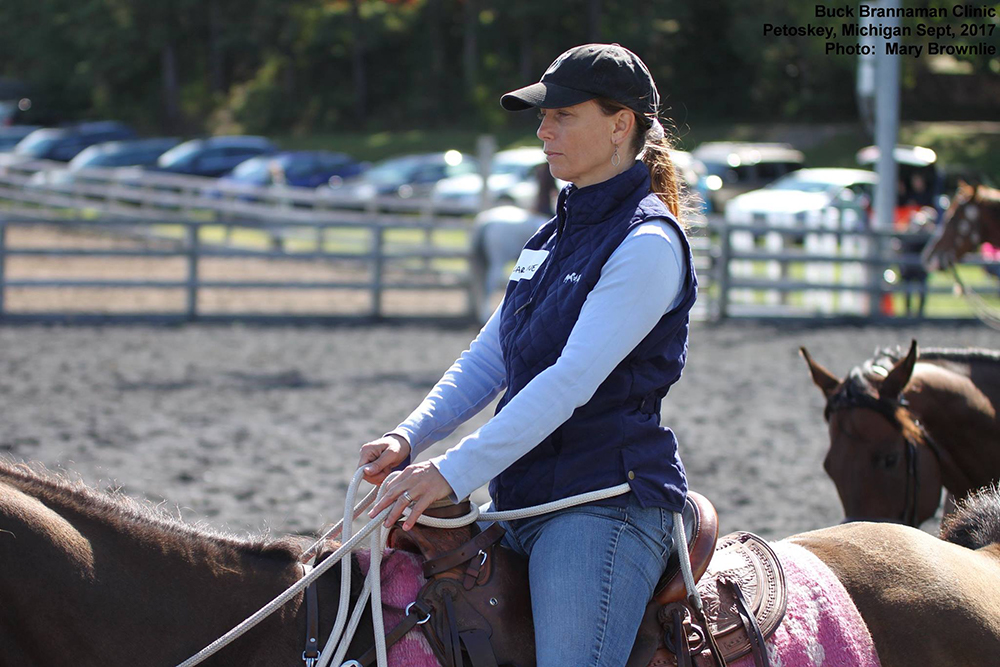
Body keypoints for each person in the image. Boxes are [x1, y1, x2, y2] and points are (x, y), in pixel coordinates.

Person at [356, 42, 697, 666]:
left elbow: (568, 383)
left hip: (602, 508)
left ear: (621, 125)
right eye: (544, 116)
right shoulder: (551, 236)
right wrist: (410, 437)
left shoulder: (648, 244)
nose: (543, 130)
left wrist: (449, 472)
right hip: (521, 499)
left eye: (562, 115)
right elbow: (490, 357)